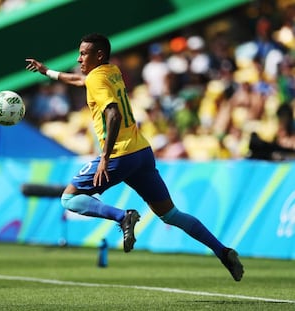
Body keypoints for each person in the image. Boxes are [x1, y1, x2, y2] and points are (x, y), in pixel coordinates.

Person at [26, 33, 244, 281]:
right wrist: (48, 72)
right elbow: (81, 80)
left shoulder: (97, 79)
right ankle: (222, 251)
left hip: (120, 154)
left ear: (98, 55)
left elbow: (114, 114)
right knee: (171, 214)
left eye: (83, 53)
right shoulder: (111, 71)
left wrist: (106, 157)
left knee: (69, 199)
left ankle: (123, 217)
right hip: (142, 152)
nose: (78, 58)